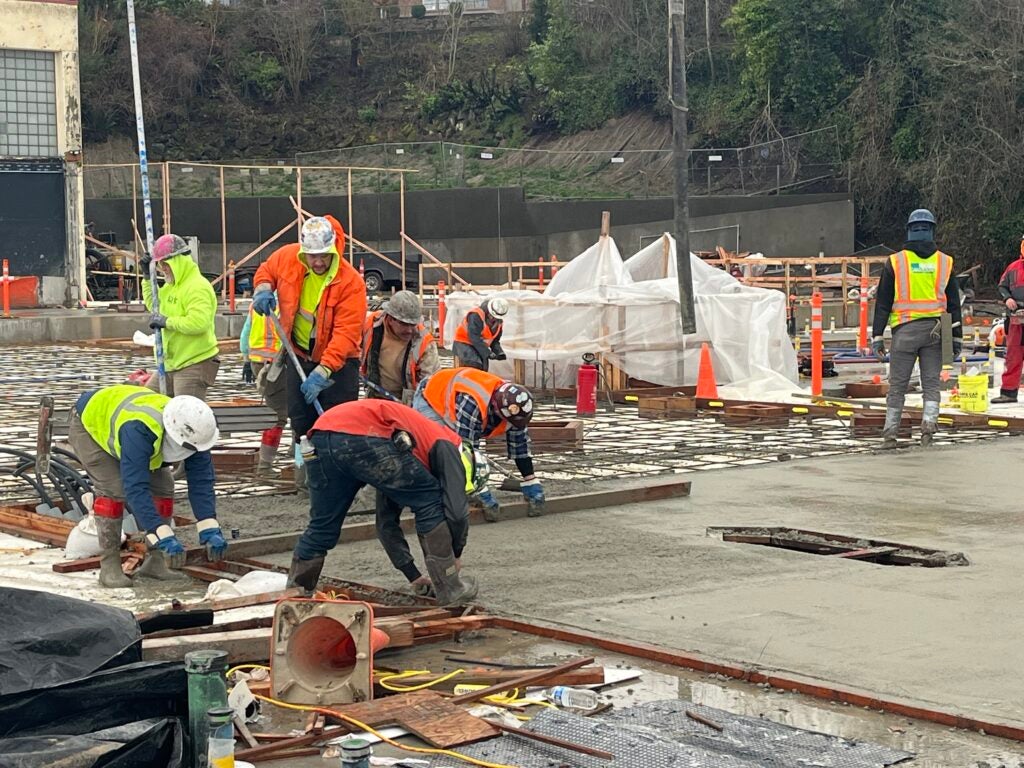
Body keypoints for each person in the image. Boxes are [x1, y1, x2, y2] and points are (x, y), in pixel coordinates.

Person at [285, 399, 488, 606]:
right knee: (430, 502)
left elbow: (386, 522)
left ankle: (295, 599)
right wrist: (455, 554)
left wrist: (413, 576)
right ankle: (451, 589)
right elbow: (456, 512)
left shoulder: (412, 454)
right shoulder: (448, 445)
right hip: (367, 434)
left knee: (322, 527)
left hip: (321, 436)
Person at [67, 385, 227, 588]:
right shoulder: (139, 430)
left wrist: (209, 526)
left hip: (137, 432)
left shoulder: (197, 434)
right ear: (174, 436)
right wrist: (159, 531)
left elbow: (201, 481)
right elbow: (135, 487)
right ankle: (110, 566)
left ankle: (156, 563)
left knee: (163, 487)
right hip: (90, 424)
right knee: (114, 490)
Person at [251, 215, 367, 491]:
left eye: (323, 256)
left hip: (339, 364)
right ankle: (306, 479)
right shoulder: (289, 258)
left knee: (338, 422)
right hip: (299, 354)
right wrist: (263, 288)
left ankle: (340, 481)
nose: (317, 262)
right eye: (312, 256)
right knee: (300, 420)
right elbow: (266, 270)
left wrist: (324, 371)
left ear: (334, 250)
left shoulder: (350, 283)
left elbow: (346, 334)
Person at [871, 209, 961, 447]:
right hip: (936, 331)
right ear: (932, 230)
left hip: (906, 332)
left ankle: (890, 434)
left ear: (909, 230)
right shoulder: (945, 261)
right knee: (931, 384)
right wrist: (956, 340)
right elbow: (953, 305)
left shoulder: (896, 261)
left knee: (898, 386)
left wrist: (877, 337)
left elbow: (883, 303)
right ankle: (928, 431)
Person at [412, 367, 544, 520]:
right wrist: (479, 489)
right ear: (497, 411)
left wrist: (530, 480)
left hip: (457, 395)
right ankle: (435, 493)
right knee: (441, 445)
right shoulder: (474, 403)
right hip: (431, 396)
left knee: (456, 450)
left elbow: (519, 445)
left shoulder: (515, 405)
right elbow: (466, 450)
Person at [142, 234, 220, 400]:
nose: (163, 268)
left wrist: (167, 322)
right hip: (171, 363)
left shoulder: (197, 287)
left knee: (185, 414)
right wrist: (147, 278)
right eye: (160, 264)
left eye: (165, 263)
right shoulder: (171, 287)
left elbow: (199, 323)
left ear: (177, 261)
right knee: (147, 401)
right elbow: (154, 305)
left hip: (194, 361)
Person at [361, 290, 439, 404]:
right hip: (374, 397)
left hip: (406, 404)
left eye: (412, 324)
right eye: (404, 324)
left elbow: (432, 384)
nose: (409, 330)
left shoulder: (424, 342)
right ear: (391, 318)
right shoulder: (371, 325)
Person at [239, 296, 287, 475]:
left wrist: (246, 359)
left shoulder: (256, 303)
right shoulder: (285, 303)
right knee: (278, 415)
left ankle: (289, 454)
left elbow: (246, 333)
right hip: (275, 363)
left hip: (259, 361)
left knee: (284, 408)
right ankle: (265, 467)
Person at [992, 236, 1024, 403]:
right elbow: (1002, 286)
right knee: (1013, 356)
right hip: (1016, 320)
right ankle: (1008, 393)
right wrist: (1007, 299)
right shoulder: (1013, 268)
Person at [452, 298, 508, 372]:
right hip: (463, 342)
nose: (494, 319)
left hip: (479, 345)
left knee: (484, 369)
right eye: (493, 316)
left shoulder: (498, 323)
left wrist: (499, 352)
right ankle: (467, 382)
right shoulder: (476, 315)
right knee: (475, 364)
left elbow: (494, 341)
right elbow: (474, 337)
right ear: (489, 311)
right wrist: (487, 352)